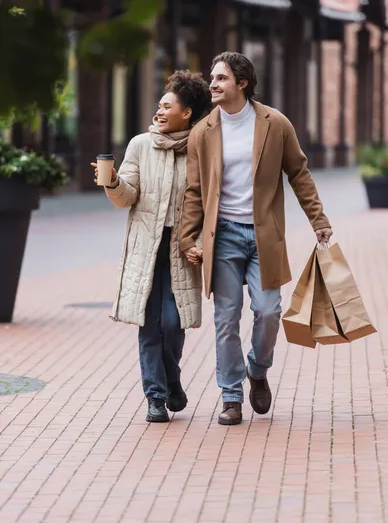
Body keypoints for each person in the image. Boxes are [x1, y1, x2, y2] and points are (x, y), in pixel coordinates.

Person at [180, 52, 333, 426]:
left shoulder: (274, 124)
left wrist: (318, 218)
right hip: (225, 237)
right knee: (226, 319)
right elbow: (194, 191)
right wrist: (188, 239)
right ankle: (231, 395)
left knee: (268, 312)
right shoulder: (203, 131)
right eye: (213, 78)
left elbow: (299, 173)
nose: (213, 84)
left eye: (221, 78)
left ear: (242, 83)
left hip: (264, 235)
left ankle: (258, 370)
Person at [92, 71, 211, 423]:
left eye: (166, 105)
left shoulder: (201, 148)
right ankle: (156, 396)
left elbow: (208, 203)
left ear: (187, 113)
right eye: (158, 105)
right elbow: (127, 196)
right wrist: (113, 181)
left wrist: (201, 243)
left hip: (181, 249)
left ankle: (172, 379)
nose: (158, 111)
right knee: (149, 323)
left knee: (173, 323)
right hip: (147, 248)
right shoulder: (140, 145)